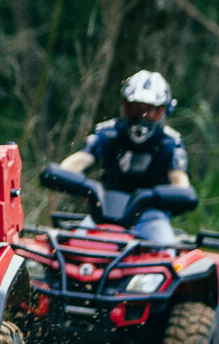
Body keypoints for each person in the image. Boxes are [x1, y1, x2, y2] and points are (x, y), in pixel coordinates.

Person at [57, 69, 191, 245]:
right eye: (134, 109)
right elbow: (81, 158)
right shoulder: (109, 133)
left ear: (163, 111)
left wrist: (179, 194)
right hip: (104, 214)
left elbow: (179, 178)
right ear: (124, 107)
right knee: (73, 247)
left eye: (151, 111)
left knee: (167, 255)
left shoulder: (170, 142)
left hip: (151, 217)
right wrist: (63, 175)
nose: (142, 117)